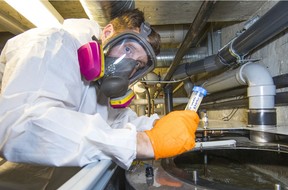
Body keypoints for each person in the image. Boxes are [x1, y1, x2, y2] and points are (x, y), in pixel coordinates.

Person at [0, 9, 199, 169]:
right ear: (107, 33)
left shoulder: (102, 86)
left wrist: (160, 125)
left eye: (138, 64)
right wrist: (142, 143)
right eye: (128, 49)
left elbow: (117, 123)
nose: (129, 66)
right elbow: (22, 127)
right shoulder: (51, 44)